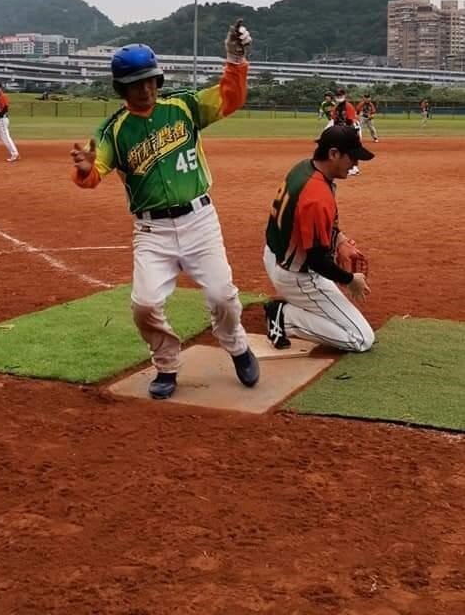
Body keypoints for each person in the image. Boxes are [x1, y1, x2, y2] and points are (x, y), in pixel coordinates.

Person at [70, 21, 260, 400]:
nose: (145, 89)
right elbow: (96, 172)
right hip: (152, 232)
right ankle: (167, 364)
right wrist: (85, 169)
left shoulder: (183, 106)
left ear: (158, 79)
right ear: (122, 88)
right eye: (136, 83)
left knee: (223, 297)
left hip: (200, 220)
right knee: (144, 304)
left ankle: (236, 345)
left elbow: (229, 97)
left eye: (150, 80)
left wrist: (235, 59)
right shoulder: (113, 131)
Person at [263, 125, 375, 354]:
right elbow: (316, 260)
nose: (355, 165)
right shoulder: (316, 196)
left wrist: (340, 240)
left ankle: (294, 306)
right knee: (361, 338)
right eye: (352, 158)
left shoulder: (305, 168)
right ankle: (284, 318)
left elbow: (304, 223)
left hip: (273, 254)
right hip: (297, 275)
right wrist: (349, 279)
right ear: (333, 154)